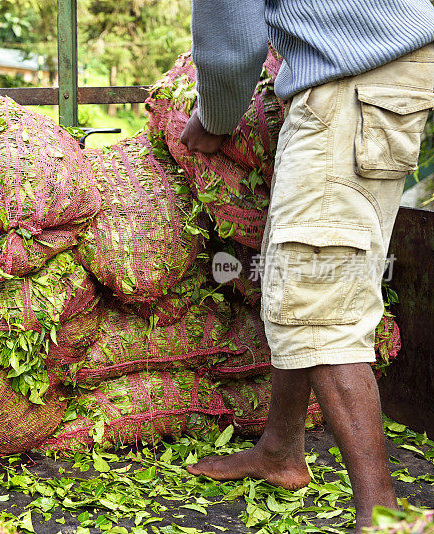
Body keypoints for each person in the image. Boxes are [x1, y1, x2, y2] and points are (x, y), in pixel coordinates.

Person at [179, 0, 434, 529]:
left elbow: (232, 48)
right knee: (295, 273)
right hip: (376, 70)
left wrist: (214, 118)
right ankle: (280, 450)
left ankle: (384, 518)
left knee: (320, 300)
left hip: (351, 81)